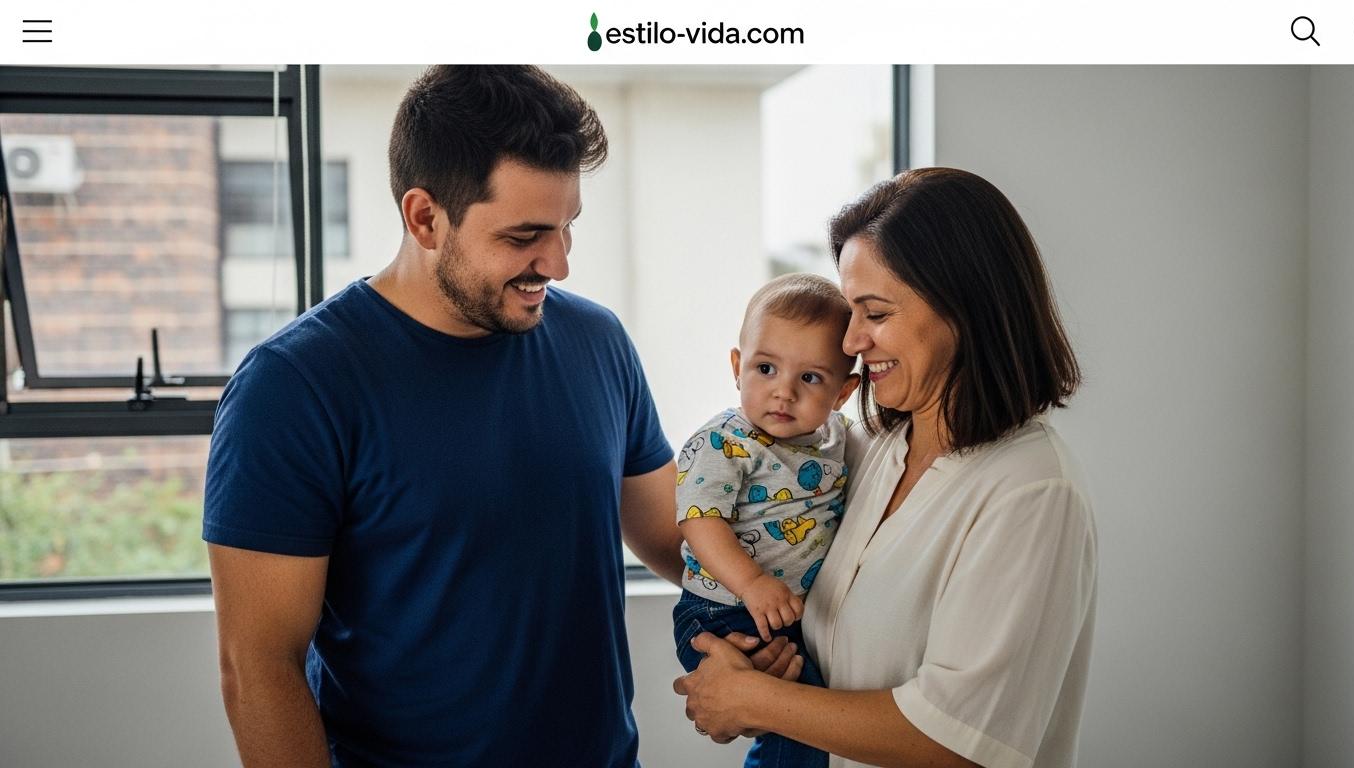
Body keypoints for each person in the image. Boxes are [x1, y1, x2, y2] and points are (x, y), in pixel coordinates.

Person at [202, 65, 688, 767]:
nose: (557, 263)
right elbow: (259, 668)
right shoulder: (295, 386)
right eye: (524, 237)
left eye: (566, 227)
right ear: (425, 218)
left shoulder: (598, 342)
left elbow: (674, 537)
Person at [674, 167, 1098, 768]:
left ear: (963, 306)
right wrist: (769, 668)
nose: (849, 342)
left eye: (873, 313)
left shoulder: (1030, 492)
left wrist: (758, 701)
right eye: (850, 312)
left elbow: (959, 741)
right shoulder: (867, 450)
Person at [673, 273, 860, 767]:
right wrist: (752, 584)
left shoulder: (838, 436)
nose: (784, 393)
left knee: (804, 719)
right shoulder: (723, 443)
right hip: (720, 611)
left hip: (788, 616)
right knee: (800, 723)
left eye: (811, 378)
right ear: (737, 367)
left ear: (843, 393)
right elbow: (699, 520)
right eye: (766, 368)